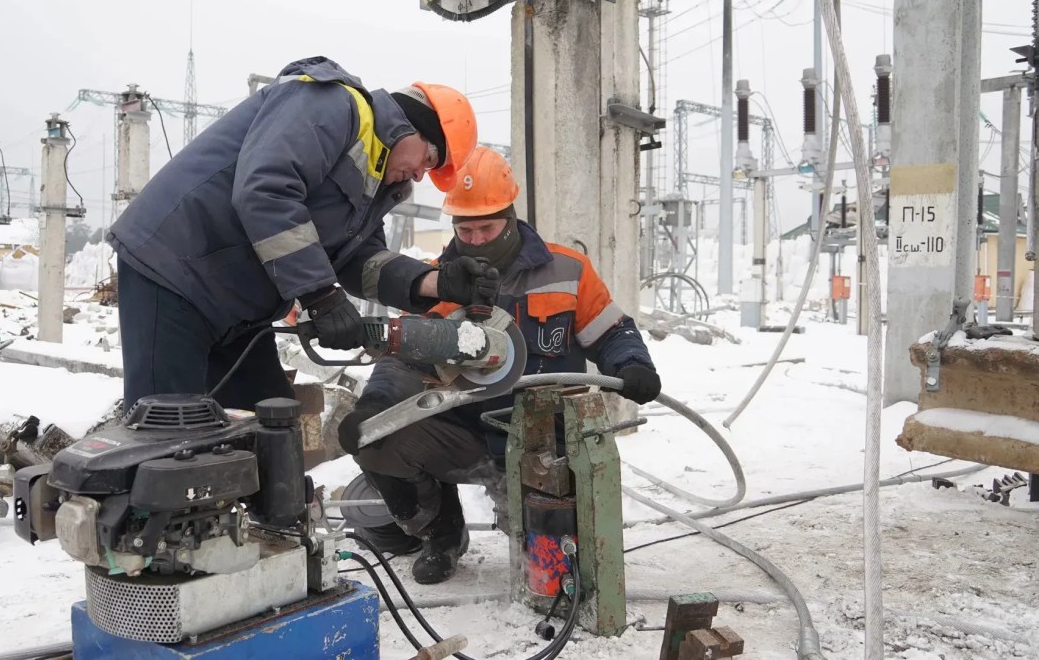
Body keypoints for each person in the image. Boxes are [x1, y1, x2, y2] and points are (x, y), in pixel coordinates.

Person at [337, 146, 661, 585]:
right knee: (377, 439)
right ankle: (442, 533)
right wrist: (374, 405)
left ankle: (537, 525)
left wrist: (633, 366)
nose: (473, 241)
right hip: (465, 434)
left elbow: (611, 332)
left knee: (549, 568)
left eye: (486, 228)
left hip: (546, 441)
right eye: (464, 230)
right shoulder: (436, 282)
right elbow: (406, 355)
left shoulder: (567, 270)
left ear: (509, 218)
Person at [106, 56, 493, 411]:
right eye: (428, 159)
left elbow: (358, 260)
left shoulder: (375, 181)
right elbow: (266, 191)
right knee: (164, 430)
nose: (421, 175)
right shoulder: (332, 105)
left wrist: (435, 282)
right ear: (410, 125)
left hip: (233, 308)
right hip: (174, 271)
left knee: (269, 428)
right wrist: (321, 295)